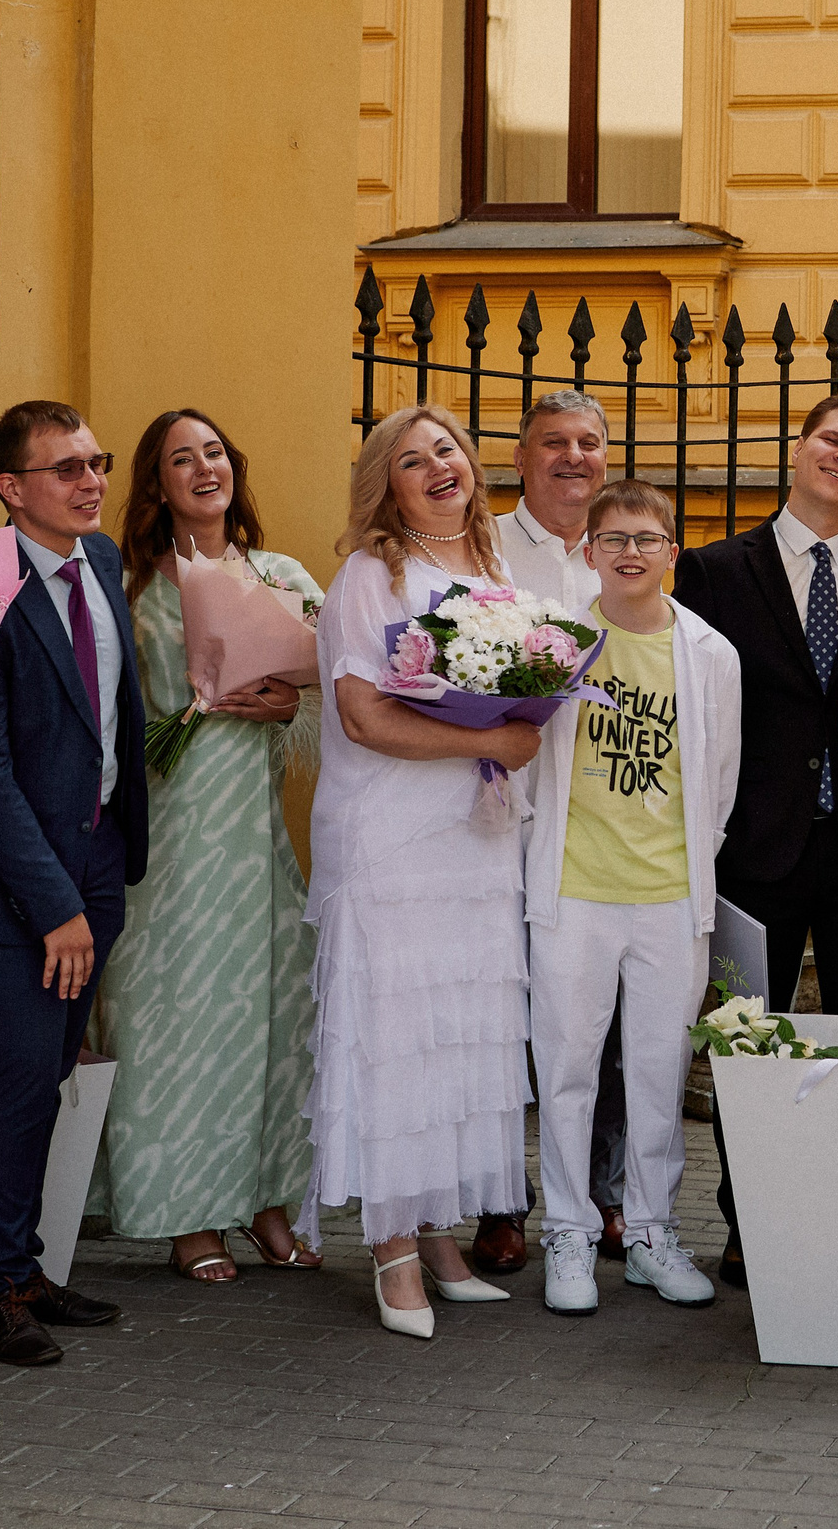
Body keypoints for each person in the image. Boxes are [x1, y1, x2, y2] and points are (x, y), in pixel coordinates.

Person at [301, 403, 534, 1340]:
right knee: (396, 1036)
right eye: (410, 459)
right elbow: (362, 716)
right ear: (385, 487)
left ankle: (439, 1234)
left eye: (447, 448)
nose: (438, 465)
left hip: (472, 837)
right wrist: (487, 738)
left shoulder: (495, 570)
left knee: (454, 1036)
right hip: (392, 834)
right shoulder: (371, 574)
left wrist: (515, 725)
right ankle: (391, 1246)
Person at [0, 401, 150, 1367]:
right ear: (11, 488)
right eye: (66, 468)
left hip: (96, 861)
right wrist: (55, 905)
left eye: (96, 461)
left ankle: (23, 1266)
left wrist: (101, 874)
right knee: (18, 1073)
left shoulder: (100, 559)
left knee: (50, 1072)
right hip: (9, 884)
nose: (91, 481)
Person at [671, 390, 838, 1289]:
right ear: (798, 449)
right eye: (832, 441)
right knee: (746, 1045)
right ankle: (751, 1221)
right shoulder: (712, 570)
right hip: (752, 852)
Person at [100, 410, 322, 1284]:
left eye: (215, 452)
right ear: (157, 486)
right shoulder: (128, 587)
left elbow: (339, 699)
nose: (204, 468)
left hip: (255, 840)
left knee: (274, 1016)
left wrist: (288, 703)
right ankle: (189, 1212)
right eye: (181, 459)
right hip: (168, 841)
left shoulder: (280, 575)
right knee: (175, 1019)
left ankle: (267, 1200)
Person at [521, 479, 742, 1316]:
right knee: (566, 1067)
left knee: (658, 1071)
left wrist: (688, 870)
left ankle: (651, 1232)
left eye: (647, 538)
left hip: (668, 897)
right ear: (589, 551)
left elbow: (719, 782)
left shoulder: (710, 653)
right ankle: (569, 1232)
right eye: (613, 538)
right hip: (574, 890)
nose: (630, 552)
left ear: (672, 553)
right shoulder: (557, 642)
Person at [476, 387, 623, 1275]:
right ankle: (501, 1202)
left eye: (589, 442)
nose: (574, 457)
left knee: (597, 1019)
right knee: (501, 1014)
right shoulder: (484, 546)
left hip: (602, 823)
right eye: (554, 442)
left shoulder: (625, 552)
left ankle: (602, 1194)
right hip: (499, 814)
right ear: (522, 458)